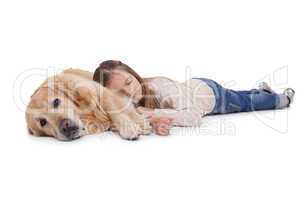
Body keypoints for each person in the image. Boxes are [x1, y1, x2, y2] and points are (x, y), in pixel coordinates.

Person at [93, 60, 295, 135]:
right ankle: (261, 91)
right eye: (120, 93)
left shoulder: (161, 87)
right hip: (195, 88)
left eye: (129, 83)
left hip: (212, 96)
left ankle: (281, 100)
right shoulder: (132, 104)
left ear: (134, 74)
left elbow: (193, 117)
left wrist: (153, 113)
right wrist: (156, 121)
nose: (129, 93)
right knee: (241, 96)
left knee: (246, 103)